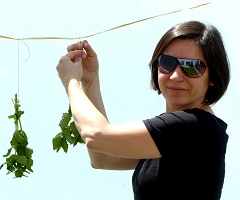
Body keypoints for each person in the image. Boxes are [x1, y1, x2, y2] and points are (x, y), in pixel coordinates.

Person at [56, 20, 230, 200]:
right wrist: (90, 80)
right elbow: (102, 158)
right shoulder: (173, 136)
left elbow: (96, 136)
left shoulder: (198, 126)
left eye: (191, 66)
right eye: (167, 63)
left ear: (213, 77)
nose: (176, 75)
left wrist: (70, 81)